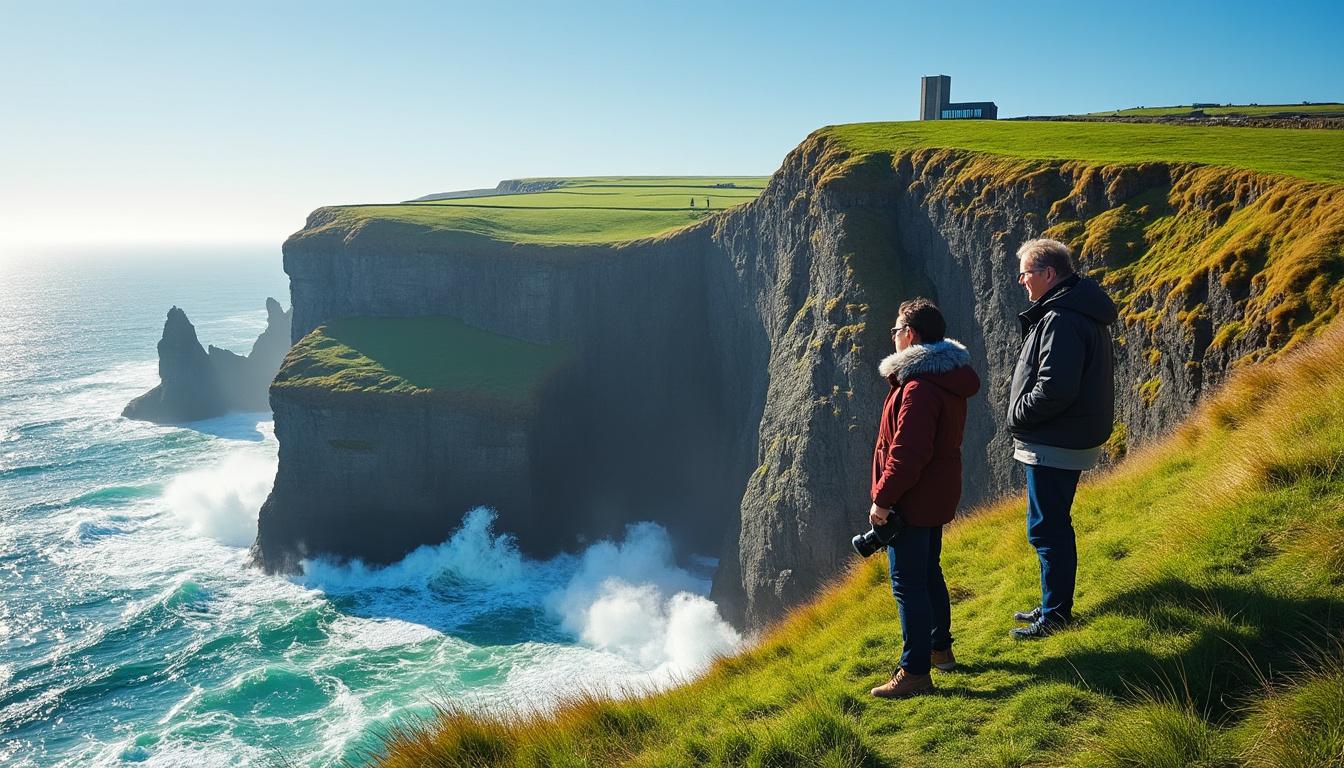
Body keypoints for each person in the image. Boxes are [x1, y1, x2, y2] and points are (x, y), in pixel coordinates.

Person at [868, 298, 981, 698]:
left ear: (910, 335)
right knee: (929, 573)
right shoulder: (945, 378)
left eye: (896, 331)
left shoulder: (917, 388)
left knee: (907, 585)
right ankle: (940, 651)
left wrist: (882, 499)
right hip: (936, 493)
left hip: (913, 500)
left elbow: (907, 453)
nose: (894, 337)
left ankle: (914, 672)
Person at [1006, 239, 1117, 639]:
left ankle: (1055, 615)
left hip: (1054, 442)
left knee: (1047, 528)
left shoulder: (1062, 318)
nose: (1021, 281)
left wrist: (1018, 415)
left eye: (1025, 273)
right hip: (1066, 436)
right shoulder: (1075, 309)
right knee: (1052, 524)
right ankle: (1051, 603)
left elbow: (1055, 387)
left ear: (1048, 274)